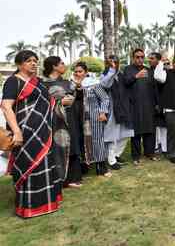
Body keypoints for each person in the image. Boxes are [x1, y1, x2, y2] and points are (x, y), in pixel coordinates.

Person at [1, 50, 63, 218]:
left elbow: (49, 101)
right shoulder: (13, 82)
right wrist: (16, 131)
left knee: (45, 165)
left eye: (35, 60)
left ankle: (48, 202)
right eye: (29, 61)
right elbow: (6, 107)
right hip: (25, 133)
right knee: (29, 167)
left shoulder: (38, 82)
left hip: (43, 131)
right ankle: (29, 207)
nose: (34, 63)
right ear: (19, 64)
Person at [42, 56, 77, 186]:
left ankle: (70, 178)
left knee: (70, 146)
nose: (64, 65)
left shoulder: (67, 82)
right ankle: (55, 179)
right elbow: (41, 103)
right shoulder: (42, 84)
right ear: (54, 66)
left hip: (68, 119)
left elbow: (74, 97)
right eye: (61, 63)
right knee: (54, 149)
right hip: (52, 122)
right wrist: (59, 103)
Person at [75, 62, 112, 177]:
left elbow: (105, 98)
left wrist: (102, 112)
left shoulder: (94, 84)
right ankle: (84, 166)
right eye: (75, 71)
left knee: (97, 141)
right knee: (81, 141)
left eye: (80, 71)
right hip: (78, 118)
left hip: (94, 117)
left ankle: (101, 167)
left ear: (86, 72)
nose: (77, 73)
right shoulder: (71, 85)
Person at [100, 55, 134, 170]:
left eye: (115, 61)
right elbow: (105, 84)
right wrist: (111, 71)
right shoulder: (105, 74)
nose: (113, 63)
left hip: (124, 108)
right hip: (112, 109)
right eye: (111, 62)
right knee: (112, 135)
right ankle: (111, 160)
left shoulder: (120, 74)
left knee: (126, 133)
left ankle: (116, 154)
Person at [123, 48, 157, 165]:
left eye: (142, 57)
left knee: (149, 131)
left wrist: (156, 104)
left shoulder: (148, 70)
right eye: (137, 57)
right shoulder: (128, 69)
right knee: (136, 132)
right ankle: (136, 156)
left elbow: (154, 88)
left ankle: (150, 153)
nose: (140, 59)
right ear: (133, 58)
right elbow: (126, 82)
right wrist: (136, 76)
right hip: (134, 106)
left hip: (148, 105)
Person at [149, 52, 168, 158]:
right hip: (150, 104)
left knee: (163, 126)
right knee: (154, 127)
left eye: (152, 58)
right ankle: (155, 146)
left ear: (158, 60)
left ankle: (165, 148)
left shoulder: (164, 71)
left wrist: (160, 103)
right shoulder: (147, 71)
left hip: (162, 103)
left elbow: (162, 83)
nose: (150, 60)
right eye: (149, 58)